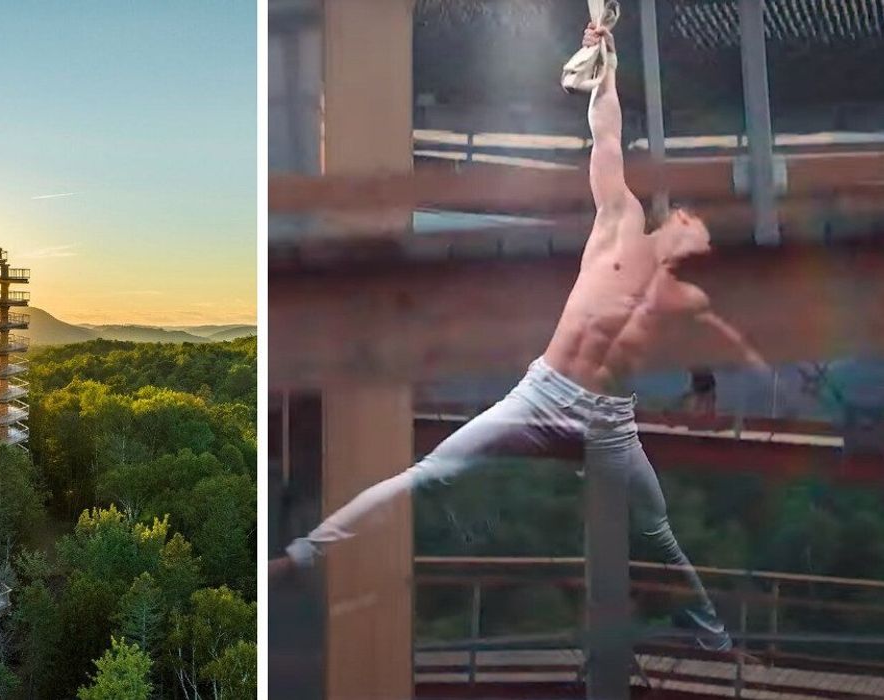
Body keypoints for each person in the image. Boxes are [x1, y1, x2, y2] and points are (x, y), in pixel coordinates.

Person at [270, 22, 768, 654]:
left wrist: (704, 386)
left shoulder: (683, 296)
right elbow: (606, 135)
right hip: (543, 394)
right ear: (673, 221)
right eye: (696, 223)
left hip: (609, 422)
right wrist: (606, 68)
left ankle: (715, 638)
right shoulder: (620, 222)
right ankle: (299, 557)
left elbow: (704, 349)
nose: (700, 233)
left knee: (657, 525)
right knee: (427, 475)